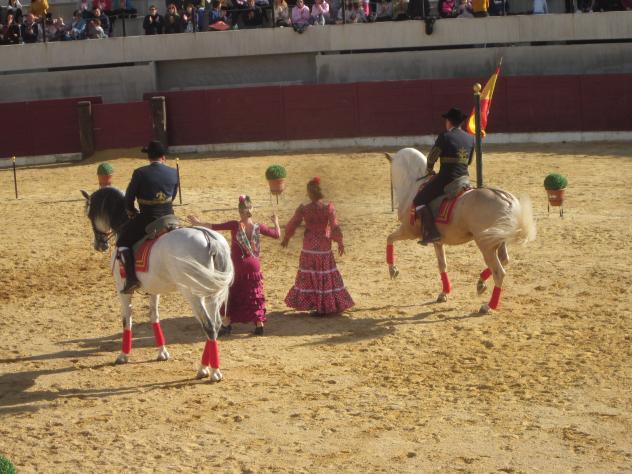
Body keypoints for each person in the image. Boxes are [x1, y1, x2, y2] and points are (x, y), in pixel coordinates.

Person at [187, 196, 280, 336]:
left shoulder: (234, 225)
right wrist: (276, 222)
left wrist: (197, 223)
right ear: (251, 209)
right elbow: (277, 235)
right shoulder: (258, 227)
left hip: (236, 266)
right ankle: (259, 325)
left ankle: (227, 324)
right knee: (254, 294)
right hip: (254, 265)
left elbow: (213, 227)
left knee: (230, 294)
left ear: (239, 211)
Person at [282, 177, 354, 316]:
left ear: (309, 193)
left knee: (310, 275)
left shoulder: (304, 208)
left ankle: (314, 304)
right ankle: (325, 305)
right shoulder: (328, 207)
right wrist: (340, 242)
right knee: (324, 275)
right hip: (323, 247)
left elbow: (293, 223)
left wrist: (286, 238)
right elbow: (335, 226)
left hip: (308, 247)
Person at [117, 140, 178, 293]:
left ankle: (131, 279)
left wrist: (131, 212)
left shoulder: (140, 173)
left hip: (148, 219)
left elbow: (128, 199)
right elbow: (174, 196)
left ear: (149, 158)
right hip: (170, 218)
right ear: (163, 157)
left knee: (122, 241)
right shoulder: (173, 172)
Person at [412, 107, 474, 245]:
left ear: (449, 122)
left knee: (419, 200)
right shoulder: (471, 139)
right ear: (460, 123)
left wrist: (429, 169)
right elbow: (469, 161)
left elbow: (432, 156)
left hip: (447, 180)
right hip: (464, 179)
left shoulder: (444, 136)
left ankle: (431, 233)